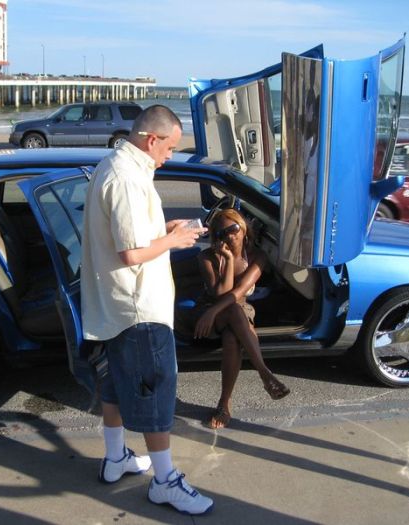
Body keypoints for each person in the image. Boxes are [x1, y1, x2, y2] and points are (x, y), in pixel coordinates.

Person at [80, 105, 214, 515]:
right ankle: (165, 481)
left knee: (117, 384)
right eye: (170, 147)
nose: (171, 155)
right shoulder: (127, 179)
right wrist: (175, 242)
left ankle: (116, 459)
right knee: (157, 395)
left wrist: (167, 230)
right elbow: (132, 252)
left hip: (114, 304)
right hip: (139, 307)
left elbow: (130, 236)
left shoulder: (115, 166)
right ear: (151, 139)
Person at [193, 208, 290, 429]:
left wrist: (213, 311)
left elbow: (239, 292)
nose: (229, 235)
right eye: (221, 232)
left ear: (243, 228)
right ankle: (264, 373)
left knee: (232, 337)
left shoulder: (257, 256)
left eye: (233, 228)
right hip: (210, 309)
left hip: (237, 308)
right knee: (234, 311)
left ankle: (224, 404)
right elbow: (219, 294)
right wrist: (226, 260)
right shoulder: (207, 257)